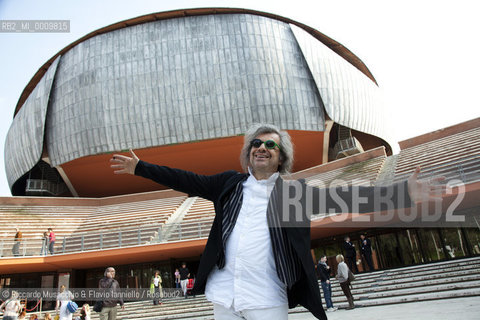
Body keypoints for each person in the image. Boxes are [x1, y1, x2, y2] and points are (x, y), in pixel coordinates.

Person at [110, 123, 443, 320]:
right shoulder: (229, 184)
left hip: (267, 297)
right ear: (248, 152)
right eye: (256, 143)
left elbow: (346, 197)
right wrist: (141, 168)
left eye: (271, 145)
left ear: (281, 156)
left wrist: (404, 193)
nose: (262, 148)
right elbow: (186, 178)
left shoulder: (293, 193)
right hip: (224, 294)